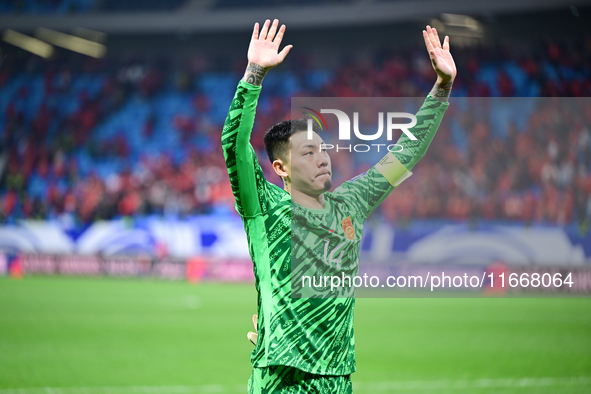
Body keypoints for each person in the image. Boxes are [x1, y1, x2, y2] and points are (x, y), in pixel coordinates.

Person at [221, 19, 456, 393]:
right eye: (308, 152)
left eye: (324, 149)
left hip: (337, 377)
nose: (323, 158)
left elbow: (404, 155)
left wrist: (441, 89)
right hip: (282, 376)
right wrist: (254, 75)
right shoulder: (264, 207)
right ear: (280, 167)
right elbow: (234, 146)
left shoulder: (352, 202)